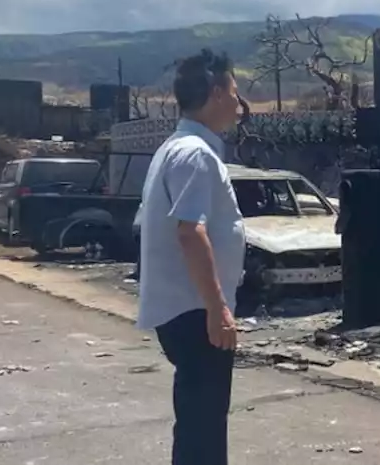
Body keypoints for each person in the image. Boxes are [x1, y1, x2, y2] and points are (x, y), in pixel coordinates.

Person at [136, 49, 246, 465]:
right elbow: (190, 232)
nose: (238, 106)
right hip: (195, 312)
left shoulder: (176, 148)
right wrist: (217, 309)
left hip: (185, 311)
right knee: (204, 427)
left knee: (198, 422)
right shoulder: (195, 154)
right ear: (216, 93)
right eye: (235, 94)